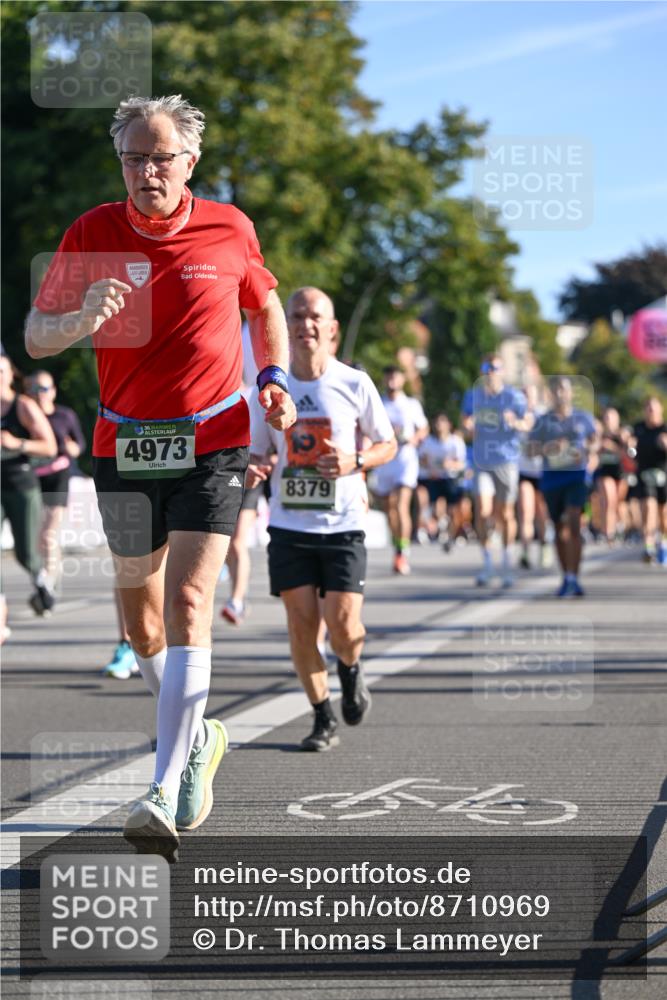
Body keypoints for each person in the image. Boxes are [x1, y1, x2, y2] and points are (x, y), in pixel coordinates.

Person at [25, 95, 296, 857]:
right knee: (140, 622)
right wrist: (79, 318)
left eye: (161, 156)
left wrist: (271, 374)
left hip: (213, 439)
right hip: (122, 442)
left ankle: (164, 784)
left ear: (190, 162)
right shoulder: (91, 233)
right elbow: (36, 337)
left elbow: (264, 306)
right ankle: (202, 733)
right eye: (134, 158)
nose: (147, 170)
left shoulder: (229, 228)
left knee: (186, 599)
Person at [248, 287, 396, 751]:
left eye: (315, 317)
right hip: (289, 526)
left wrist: (355, 461)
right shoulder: (268, 390)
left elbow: (388, 444)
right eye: (296, 316)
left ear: (331, 329)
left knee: (345, 626)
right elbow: (258, 451)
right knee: (301, 625)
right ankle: (321, 716)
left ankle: (350, 669)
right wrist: (255, 465)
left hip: (343, 524)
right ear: (283, 325)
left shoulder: (353, 383)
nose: (305, 324)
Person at [461, 353, 533, 588]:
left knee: (505, 514)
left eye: (495, 367)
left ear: (502, 371)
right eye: (486, 367)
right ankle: (487, 565)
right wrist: (467, 426)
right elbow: (465, 424)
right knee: (482, 510)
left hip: (506, 461)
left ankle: (506, 563)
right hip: (482, 461)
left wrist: (515, 422)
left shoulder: (513, 396)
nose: (490, 372)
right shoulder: (473, 395)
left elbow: (529, 422)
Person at [529, 376, 598, 597]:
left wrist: (589, 449)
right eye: (556, 389)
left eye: (564, 389)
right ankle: (565, 576)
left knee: (574, 520)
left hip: (576, 476)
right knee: (559, 530)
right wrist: (549, 448)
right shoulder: (542, 420)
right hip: (552, 479)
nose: (560, 393)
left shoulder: (583, 417)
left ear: (570, 393)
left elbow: (595, 439)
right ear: (551, 393)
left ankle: (574, 577)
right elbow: (529, 450)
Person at [1, 353, 58, 615]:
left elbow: (50, 446)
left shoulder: (22, 406)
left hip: (21, 486)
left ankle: (41, 582)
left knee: (26, 552)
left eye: (1, 371)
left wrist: (18, 443)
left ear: (12, 374)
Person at [24, 370, 86, 590]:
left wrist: (73, 448)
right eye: (33, 389)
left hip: (58, 477)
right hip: (31, 477)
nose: (39, 394)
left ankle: (48, 582)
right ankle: (45, 572)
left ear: (53, 391)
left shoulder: (64, 415)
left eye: (44, 389)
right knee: (34, 535)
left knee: (48, 533)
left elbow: (80, 444)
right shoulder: (26, 415)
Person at [373, 365, 427, 575]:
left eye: (395, 376)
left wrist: (415, 438)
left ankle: (402, 553)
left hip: (405, 460)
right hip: (385, 460)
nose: (391, 381)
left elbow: (423, 427)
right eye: (388, 377)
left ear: (402, 379)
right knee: (390, 510)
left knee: (400, 504)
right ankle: (398, 544)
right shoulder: (379, 402)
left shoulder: (411, 404)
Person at [417, 413, 466, 551]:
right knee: (436, 506)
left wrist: (450, 464)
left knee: (454, 510)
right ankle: (439, 526)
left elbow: (461, 463)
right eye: (437, 422)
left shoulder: (455, 441)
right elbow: (421, 459)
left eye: (442, 422)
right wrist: (428, 466)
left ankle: (450, 533)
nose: (439, 425)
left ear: (449, 425)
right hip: (434, 479)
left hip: (450, 479)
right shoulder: (428, 442)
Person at [517, 384, 550, 570]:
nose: (526, 399)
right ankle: (525, 550)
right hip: (524, 472)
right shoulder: (514, 416)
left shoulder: (544, 416)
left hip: (543, 472)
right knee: (525, 510)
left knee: (542, 513)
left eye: (529, 395)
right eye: (523, 395)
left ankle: (544, 546)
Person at [632, 396, 667, 565]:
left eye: (654, 408)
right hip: (645, 475)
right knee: (648, 508)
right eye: (648, 408)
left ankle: (664, 545)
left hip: (664, 475)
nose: (651, 411)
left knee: (664, 516)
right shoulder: (638, 428)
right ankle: (648, 547)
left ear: (660, 410)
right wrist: (628, 445)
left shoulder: (664, 428)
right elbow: (630, 448)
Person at [593, 406, 625, 545]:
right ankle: (607, 531)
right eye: (606, 417)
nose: (608, 420)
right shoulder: (599, 435)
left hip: (619, 472)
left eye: (611, 417)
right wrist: (599, 446)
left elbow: (628, 455)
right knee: (607, 500)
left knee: (616, 503)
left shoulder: (622, 435)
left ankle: (618, 526)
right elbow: (592, 452)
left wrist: (612, 447)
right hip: (604, 472)